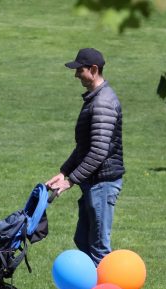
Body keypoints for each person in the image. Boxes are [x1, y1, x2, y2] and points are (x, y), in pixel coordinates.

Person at [46, 47, 124, 266]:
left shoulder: (103, 103)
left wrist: (70, 180)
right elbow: (84, 146)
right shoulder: (94, 99)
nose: (76, 75)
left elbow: (98, 152)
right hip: (93, 182)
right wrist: (63, 171)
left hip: (103, 183)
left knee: (99, 249)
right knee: (83, 239)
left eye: (80, 70)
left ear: (93, 69)